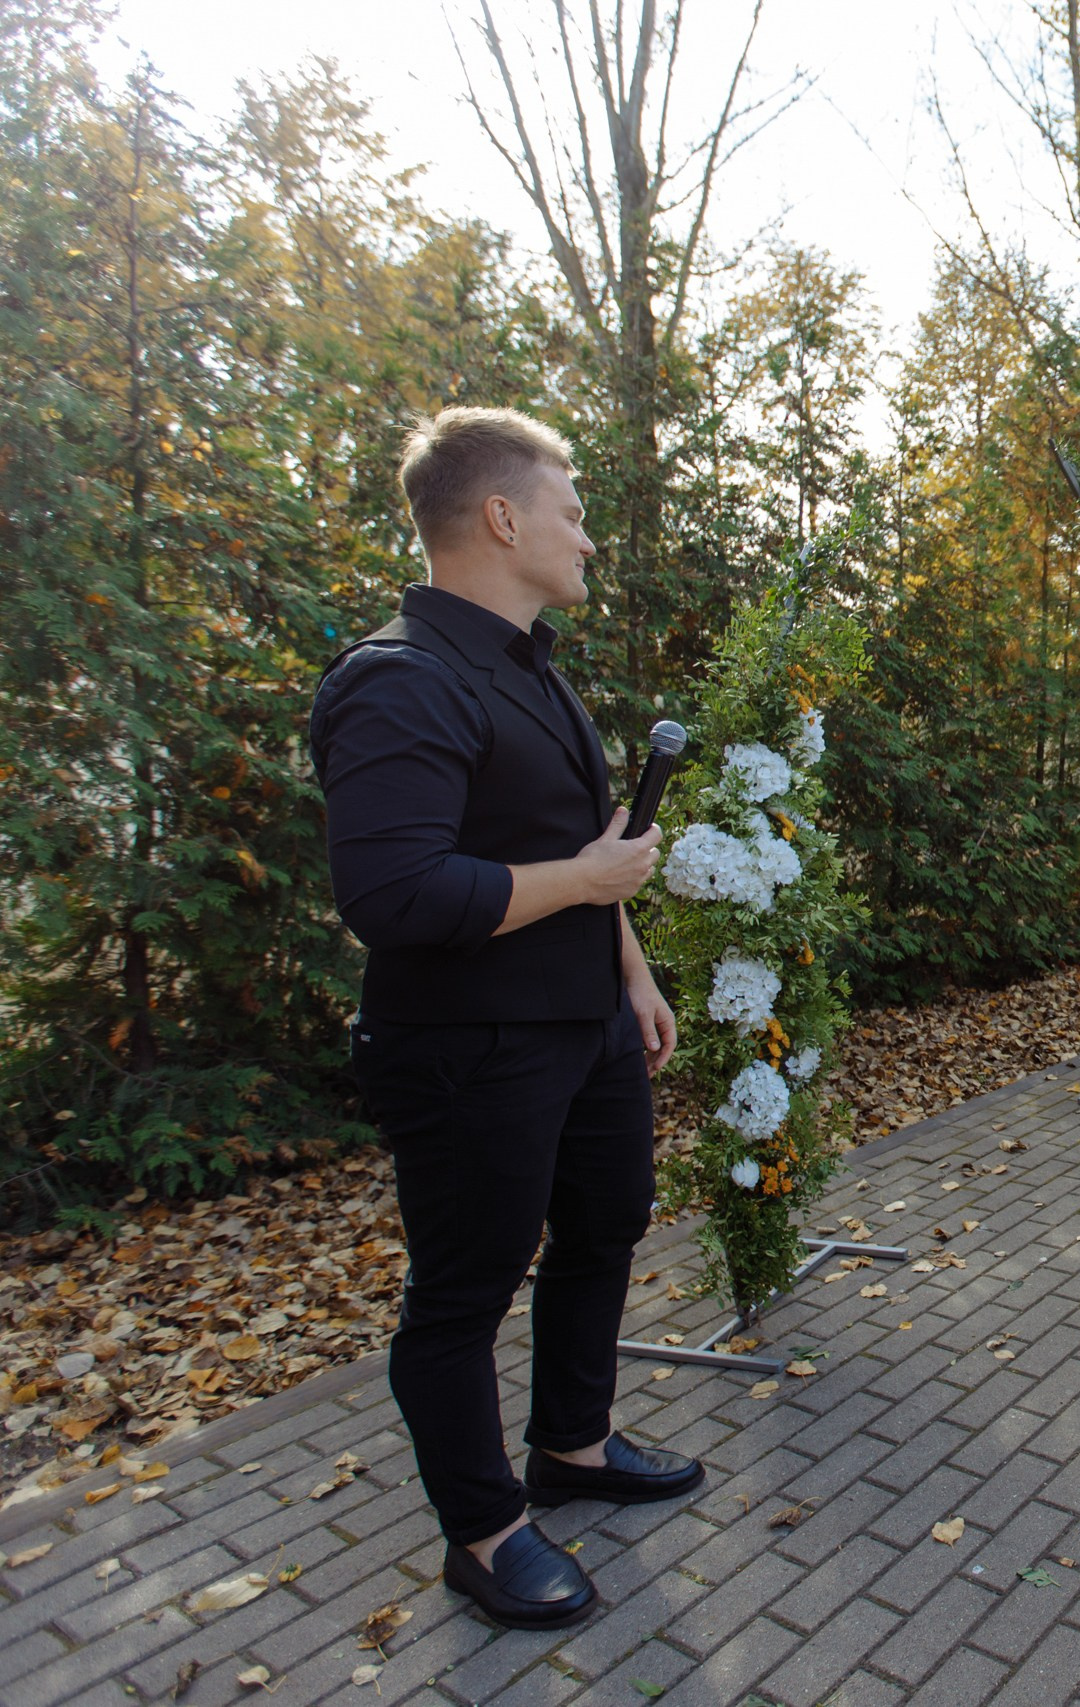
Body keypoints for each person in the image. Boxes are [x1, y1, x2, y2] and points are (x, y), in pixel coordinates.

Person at [311, 409, 702, 1630]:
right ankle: (482, 1532)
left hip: (584, 1024)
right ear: (500, 518)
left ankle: (572, 1448)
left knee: (606, 1225)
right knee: (464, 1293)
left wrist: (628, 969)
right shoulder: (397, 681)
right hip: (468, 1047)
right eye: (572, 510)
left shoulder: (531, 668)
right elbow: (395, 895)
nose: (586, 535)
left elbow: (583, 854)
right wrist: (587, 887)